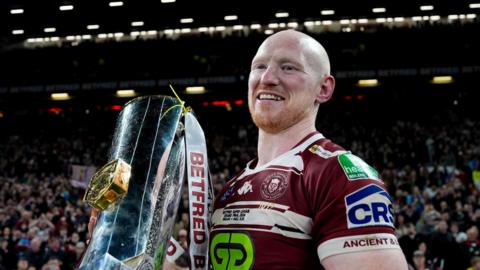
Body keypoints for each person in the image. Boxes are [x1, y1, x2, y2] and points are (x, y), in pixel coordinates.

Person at [209, 29, 408, 269]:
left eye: (288, 67)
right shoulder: (233, 187)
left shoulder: (343, 177)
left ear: (323, 88)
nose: (268, 78)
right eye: (259, 66)